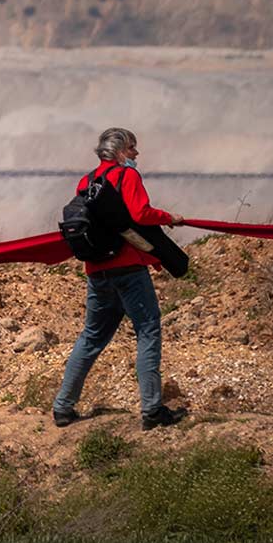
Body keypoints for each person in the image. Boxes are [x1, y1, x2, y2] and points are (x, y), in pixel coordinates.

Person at [51, 127, 189, 431]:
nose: (136, 153)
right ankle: (152, 410)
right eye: (132, 147)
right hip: (128, 268)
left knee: (91, 337)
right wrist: (170, 218)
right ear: (119, 151)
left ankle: (63, 408)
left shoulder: (86, 181)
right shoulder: (127, 176)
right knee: (148, 330)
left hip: (97, 271)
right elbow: (140, 214)